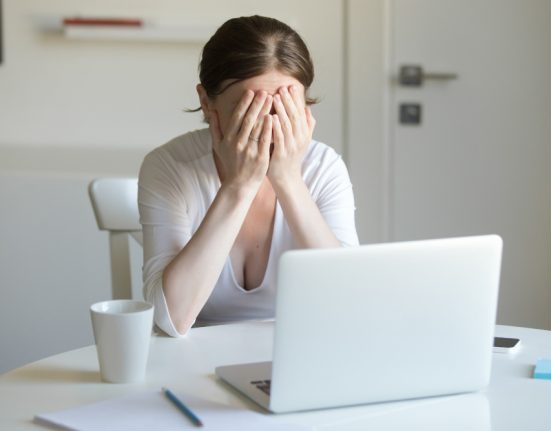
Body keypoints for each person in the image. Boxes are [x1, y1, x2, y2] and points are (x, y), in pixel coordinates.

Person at [138, 15, 359, 337]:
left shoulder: (324, 167)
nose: (268, 127)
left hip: (297, 348)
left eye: (284, 110)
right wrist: (239, 186)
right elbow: (172, 318)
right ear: (205, 102)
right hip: (194, 355)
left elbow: (350, 302)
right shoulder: (168, 166)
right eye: (249, 110)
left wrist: (288, 180)